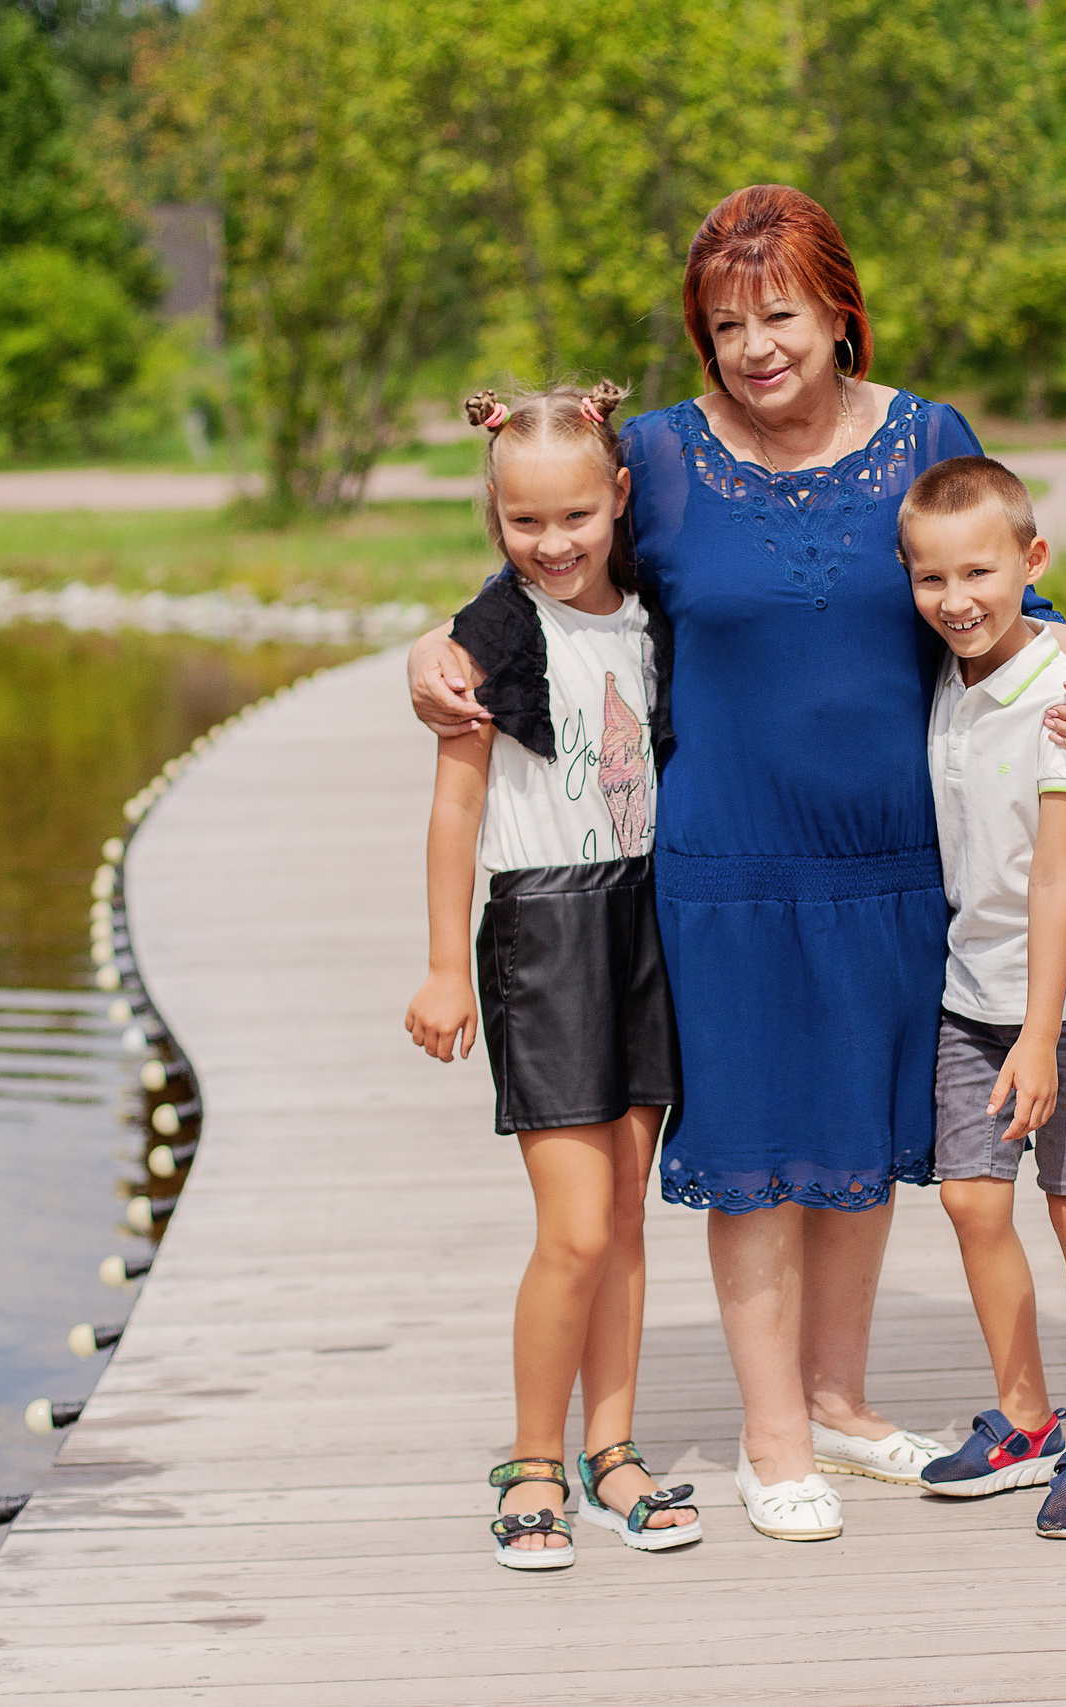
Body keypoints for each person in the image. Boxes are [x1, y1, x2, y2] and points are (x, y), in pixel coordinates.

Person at [407, 186, 1066, 1544]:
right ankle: (773, 1432)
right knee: (752, 1149)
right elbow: (552, 571)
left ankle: (845, 1399)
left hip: (890, 859)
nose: (756, 344)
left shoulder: (927, 436)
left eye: (782, 313)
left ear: (839, 312)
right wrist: (433, 651)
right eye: (727, 320)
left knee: (857, 1136)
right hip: (722, 864)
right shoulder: (665, 460)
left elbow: (1003, 608)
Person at [401, 380, 700, 1570]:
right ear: (493, 514)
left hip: (650, 924)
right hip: (548, 930)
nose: (554, 543)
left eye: (576, 516)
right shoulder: (489, 637)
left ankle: (612, 1451)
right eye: (525, 523)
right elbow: (455, 807)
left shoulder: (654, 618)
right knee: (573, 1228)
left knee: (627, 1220)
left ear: (617, 497)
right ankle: (533, 1462)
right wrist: (444, 969)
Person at [899, 456, 1066, 1540]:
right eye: (930, 578)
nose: (956, 600)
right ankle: (1023, 1418)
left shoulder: (1065, 698)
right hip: (969, 992)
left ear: (1030, 565)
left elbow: (1055, 875)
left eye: (979, 574)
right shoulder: (945, 676)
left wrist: (1038, 1037)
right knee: (970, 1201)